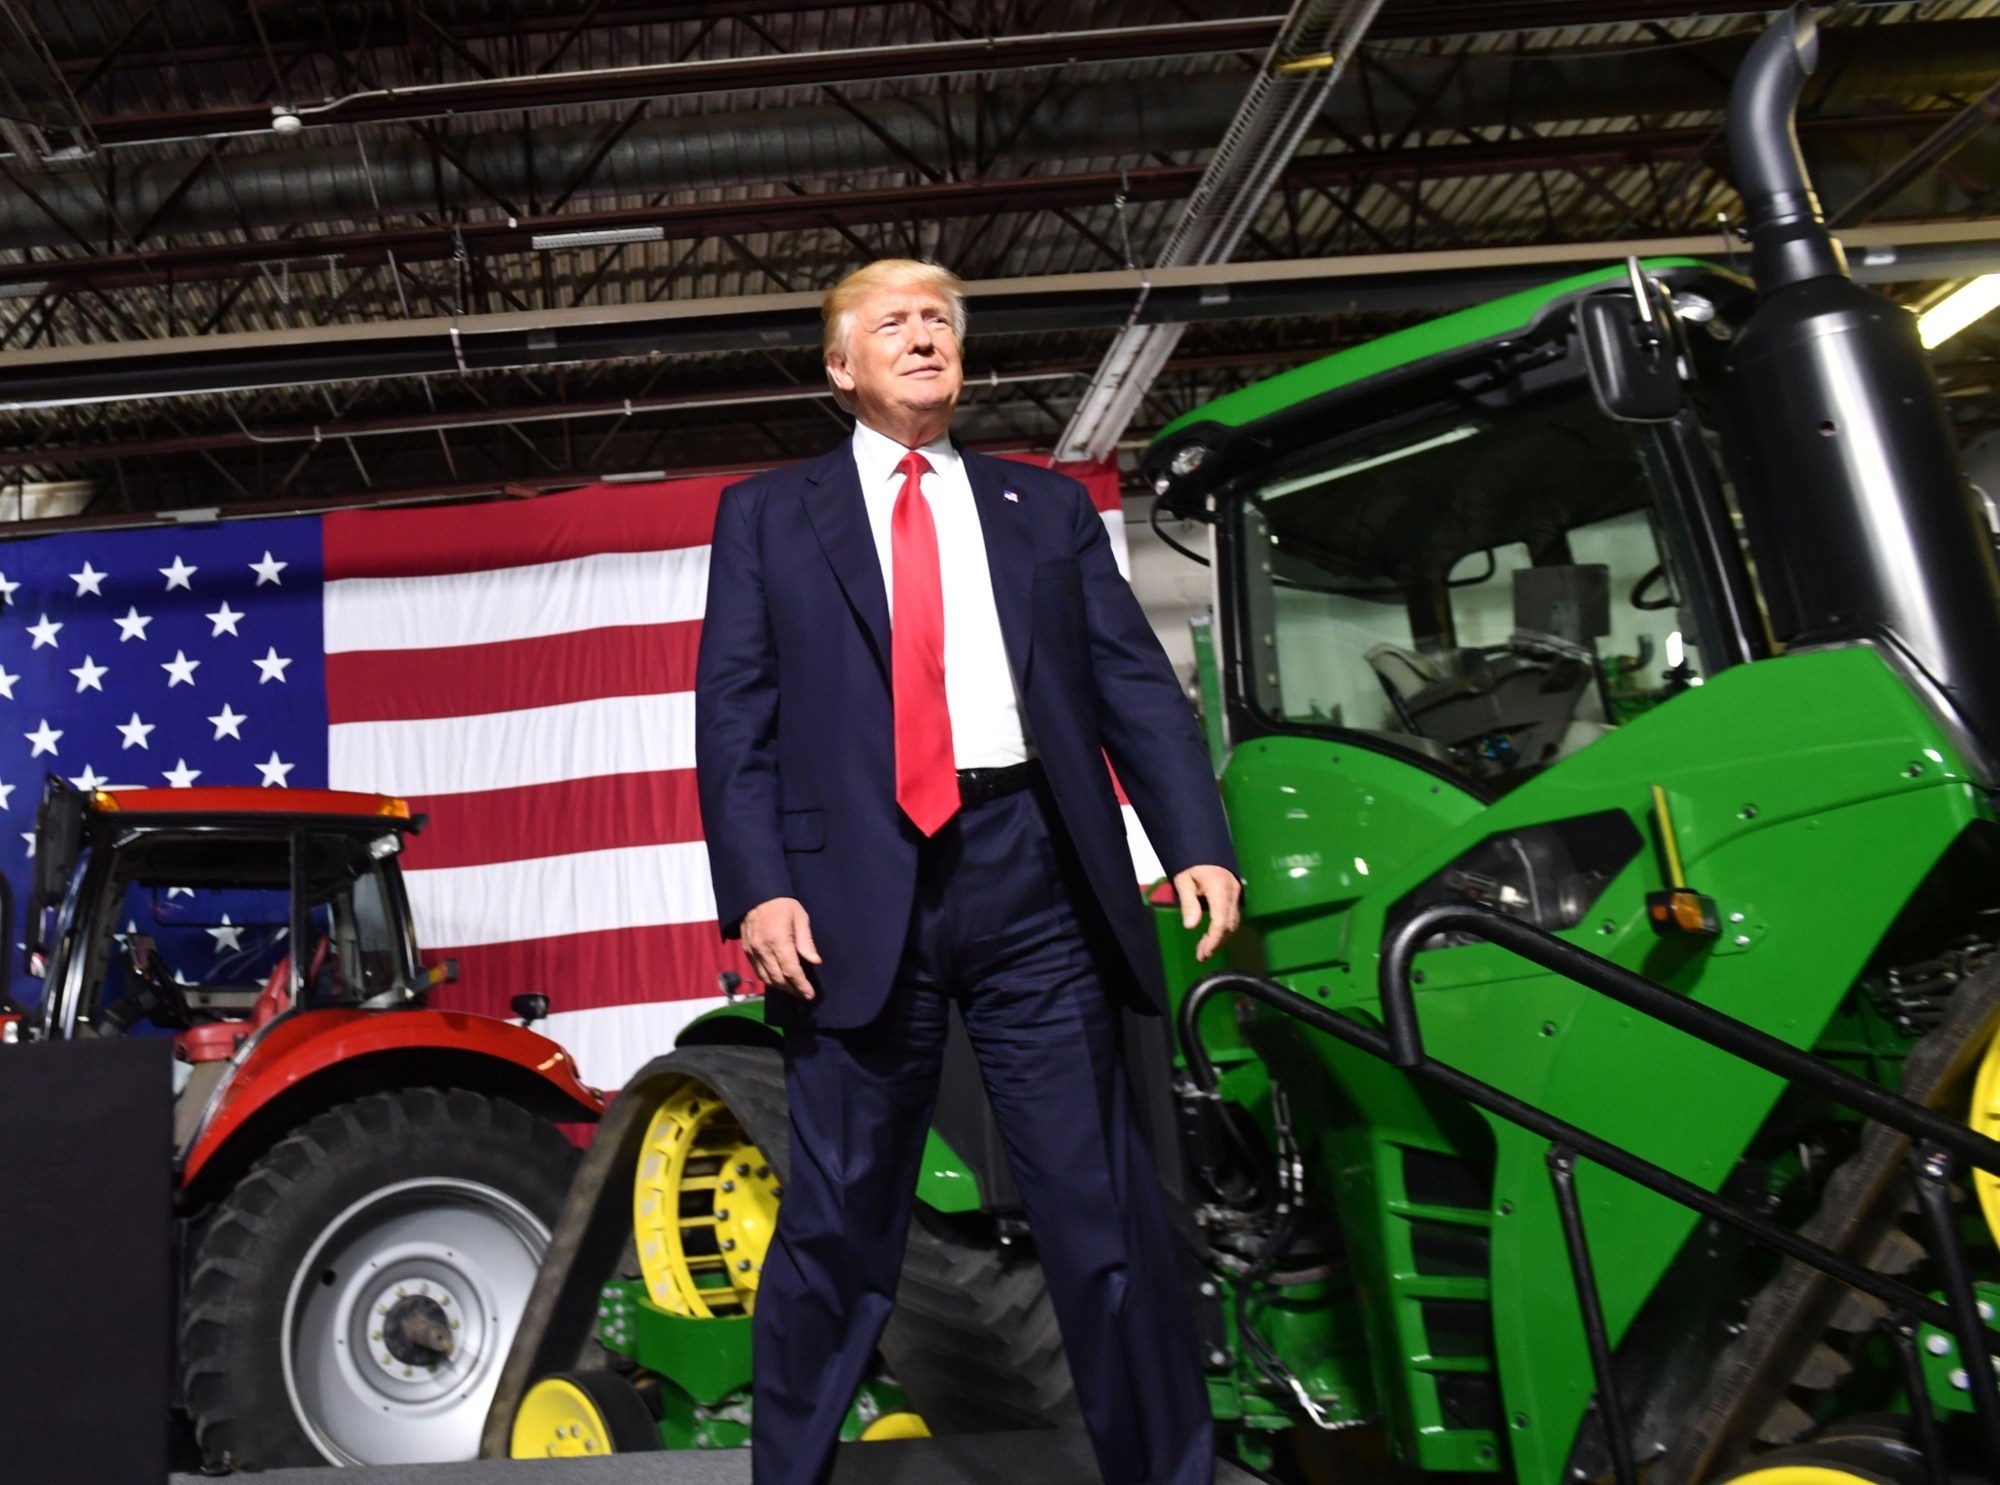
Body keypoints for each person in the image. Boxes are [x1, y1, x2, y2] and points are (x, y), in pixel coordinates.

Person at [695, 257, 1241, 1485]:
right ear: (840, 366)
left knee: (1097, 1209)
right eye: (891, 322)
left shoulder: (1040, 508)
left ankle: (1166, 1474)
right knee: (840, 1220)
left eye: (937, 319)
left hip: (1031, 869)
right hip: (846, 899)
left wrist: (1196, 842)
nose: (922, 336)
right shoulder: (765, 516)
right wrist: (758, 886)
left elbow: (1129, 685)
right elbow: (734, 714)